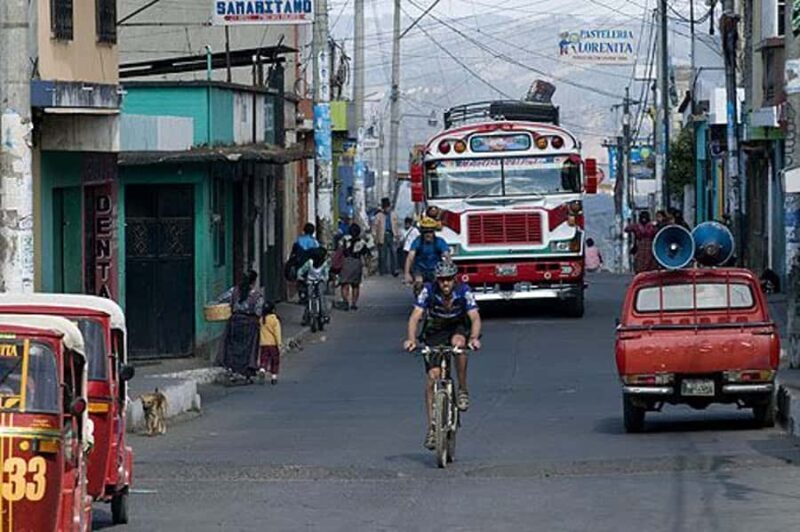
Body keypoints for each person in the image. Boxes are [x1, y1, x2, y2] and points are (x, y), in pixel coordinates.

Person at [403, 261, 482, 450]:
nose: (445, 284)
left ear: (454, 279)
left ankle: (462, 389)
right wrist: (411, 339)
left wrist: (474, 338)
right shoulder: (428, 291)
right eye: (442, 280)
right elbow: (415, 316)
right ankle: (432, 427)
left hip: (457, 327)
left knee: (458, 345)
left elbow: (475, 318)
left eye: (448, 280)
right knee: (432, 378)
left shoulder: (464, 291)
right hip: (435, 329)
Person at [216, 270, 264, 379]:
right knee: (247, 349)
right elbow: (258, 312)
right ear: (254, 281)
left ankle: (232, 370)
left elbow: (220, 299)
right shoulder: (257, 296)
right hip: (249, 324)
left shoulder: (234, 291)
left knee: (233, 347)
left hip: (235, 322)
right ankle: (246, 372)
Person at [404, 216, 450, 291]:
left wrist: (448, 271)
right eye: (425, 232)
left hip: (436, 270)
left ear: (434, 232)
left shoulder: (439, 241)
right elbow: (410, 258)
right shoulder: (417, 241)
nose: (428, 234)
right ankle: (420, 300)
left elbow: (447, 255)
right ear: (422, 232)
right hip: (420, 269)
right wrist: (407, 274)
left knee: (441, 285)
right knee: (418, 284)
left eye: (430, 231)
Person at [338, 224, 371, 310]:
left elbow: (338, 249)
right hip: (356, 263)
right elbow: (366, 254)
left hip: (345, 262)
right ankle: (354, 303)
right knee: (355, 285)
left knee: (345, 284)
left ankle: (345, 301)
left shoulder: (344, 240)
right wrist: (367, 266)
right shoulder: (362, 242)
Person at [297, 247, 331, 324]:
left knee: (321, 295)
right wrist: (300, 276)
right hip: (310, 281)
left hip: (320, 281)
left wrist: (325, 279)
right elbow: (301, 271)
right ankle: (306, 317)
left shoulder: (324, 264)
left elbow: (326, 274)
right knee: (309, 297)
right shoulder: (310, 263)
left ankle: (324, 314)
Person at [373, 197, 401, 276]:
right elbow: (374, 227)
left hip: (392, 235)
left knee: (394, 253)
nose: (387, 209)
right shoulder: (378, 216)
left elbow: (397, 226)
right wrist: (375, 237)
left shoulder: (393, 215)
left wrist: (398, 236)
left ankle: (394, 270)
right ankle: (382, 270)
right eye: (385, 207)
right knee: (382, 254)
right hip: (382, 236)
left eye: (388, 207)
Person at [259, 301, 282, 385]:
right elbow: (277, 333)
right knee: (274, 361)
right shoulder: (274, 320)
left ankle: (262, 369)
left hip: (264, 344)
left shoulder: (262, 320)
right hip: (273, 344)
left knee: (264, 358)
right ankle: (274, 377)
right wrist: (279, 343)